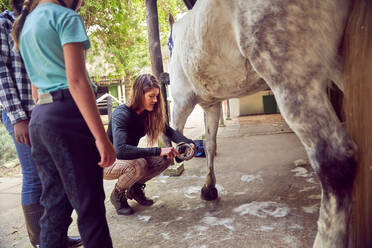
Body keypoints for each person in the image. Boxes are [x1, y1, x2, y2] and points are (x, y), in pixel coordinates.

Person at [12, 0, 116, 247]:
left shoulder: (26, 24)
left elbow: (35, 91)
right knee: (90, 208)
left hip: (41, 118)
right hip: (68, 117)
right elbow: (77, 81)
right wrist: (101, 138)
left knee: (55, 206)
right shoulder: (65, 17)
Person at [0, 1, 81, 247]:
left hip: (45, 110)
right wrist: (18, 118)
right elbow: (1, 74)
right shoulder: (4, 24)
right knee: (34, 177)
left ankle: (55, 236)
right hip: (22, 114)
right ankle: (40, 241)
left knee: (55, 178)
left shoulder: (41, 21)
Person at [104, 74, 196, 215]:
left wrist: (189, 143)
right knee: (139, 164)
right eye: (151, 96)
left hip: (127, 158)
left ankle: (135, 189)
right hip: (106, 162)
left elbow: (170, 132)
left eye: (157, 96)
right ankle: (117, 195)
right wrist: (158, 150)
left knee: (165, 158)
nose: (155, 100)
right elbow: (121, 150)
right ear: (139, 95)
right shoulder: (121, 114)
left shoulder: (149, 114)